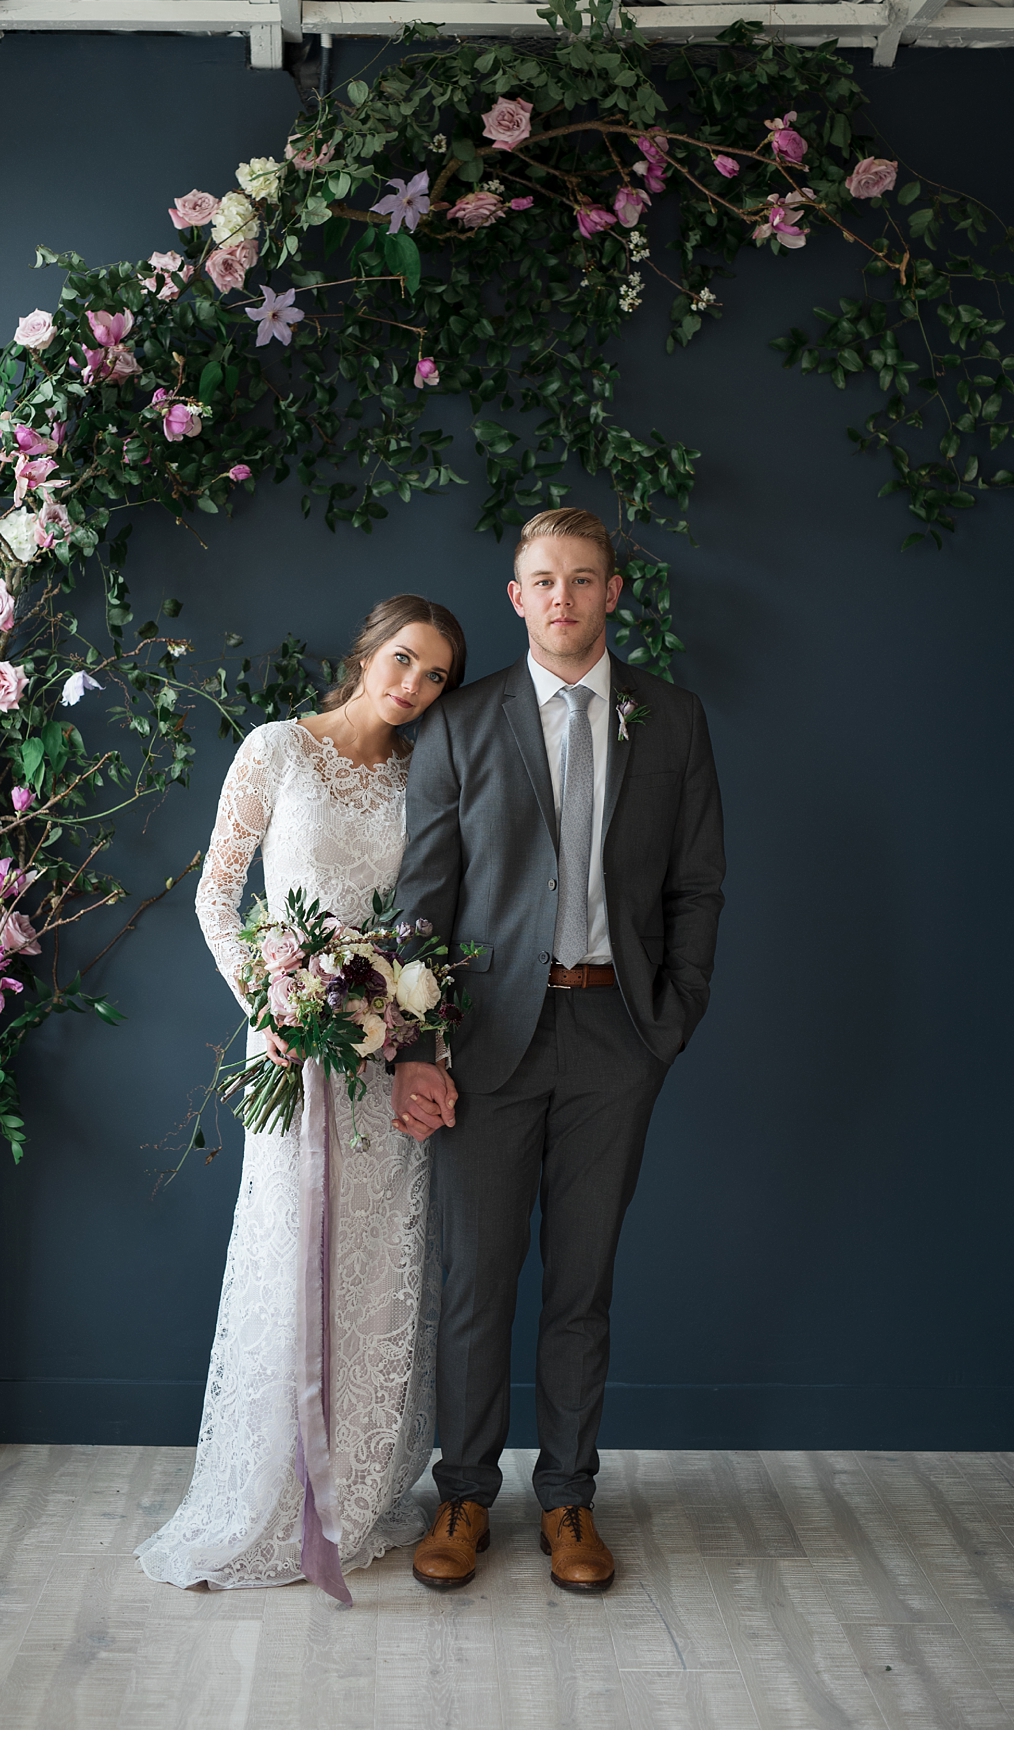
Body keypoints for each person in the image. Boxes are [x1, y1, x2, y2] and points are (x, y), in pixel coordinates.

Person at [391, 506, 726, 1594]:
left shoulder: (670, 720)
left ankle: (570, 1497)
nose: (564, 598)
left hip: (613, 1036)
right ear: (515, 596)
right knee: (475, 1279)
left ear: (612, 593)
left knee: (582, 1282)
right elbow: (420, 906)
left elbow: (695, 885)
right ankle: (463, 1494)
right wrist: (413, 1048)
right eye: (544, 579)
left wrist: (664, 1024)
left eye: (584, 579)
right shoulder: (459, 723)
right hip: (484, 1038)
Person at [137, 595, 466, 1598]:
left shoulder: (428, 772)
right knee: (292, 1253)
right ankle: (272, 1495)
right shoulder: (278, 748)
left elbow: (433, 920)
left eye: (435, 676)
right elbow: (215, 893)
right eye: (402, 659)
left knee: (380, 1262)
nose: (411, 684)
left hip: (386, 1047)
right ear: (367, 651)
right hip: (292, 1046)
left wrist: (417, 1033)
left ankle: (356, 1493)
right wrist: (272, 1005)